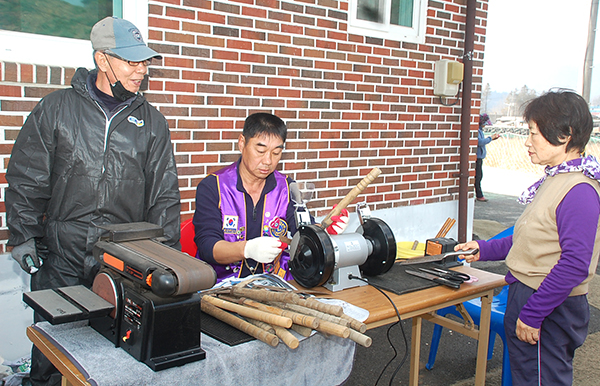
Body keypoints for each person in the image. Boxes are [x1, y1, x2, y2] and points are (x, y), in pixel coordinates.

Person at [6, 16, 181, 386]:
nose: (142, 72)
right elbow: (27, 178)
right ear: (103, 60)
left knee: (114, 357)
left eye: (145, 62)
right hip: (62, 256)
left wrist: (169, 264)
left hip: (120, 262)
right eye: (132, 62)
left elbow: (163, 196)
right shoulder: (56, 109)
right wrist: (22, 234)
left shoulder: (153, 124)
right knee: (53, 355)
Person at [456, 90, 600, 386]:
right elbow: (529, 238)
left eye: (533, 133)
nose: (527, 141)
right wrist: (483, 249)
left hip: (548, 303)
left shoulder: (579, 192)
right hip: (532, 295)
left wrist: (533, 313)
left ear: (565, 135)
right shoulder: (556, 178)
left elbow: (575, 265)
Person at [193, 112, 348, 283]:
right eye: (260, 151)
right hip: (221, 286)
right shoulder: (213, 187)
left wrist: (324, 231)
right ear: (242, 143)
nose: (267, 160)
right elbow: (207, 246)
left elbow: (302, 232)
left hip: (273, 285)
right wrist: (247, 249)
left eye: (276, 153)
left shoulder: (287, 188)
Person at [475, 113, 500, 202]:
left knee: (478, 176)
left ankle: (478, 194)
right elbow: (479, 142)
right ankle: (479, 195)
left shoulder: (479, 131)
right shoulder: (477, 131)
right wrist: (490, 138)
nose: (485, 125)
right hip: (477, 157)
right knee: (477, 177)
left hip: (479, 157)